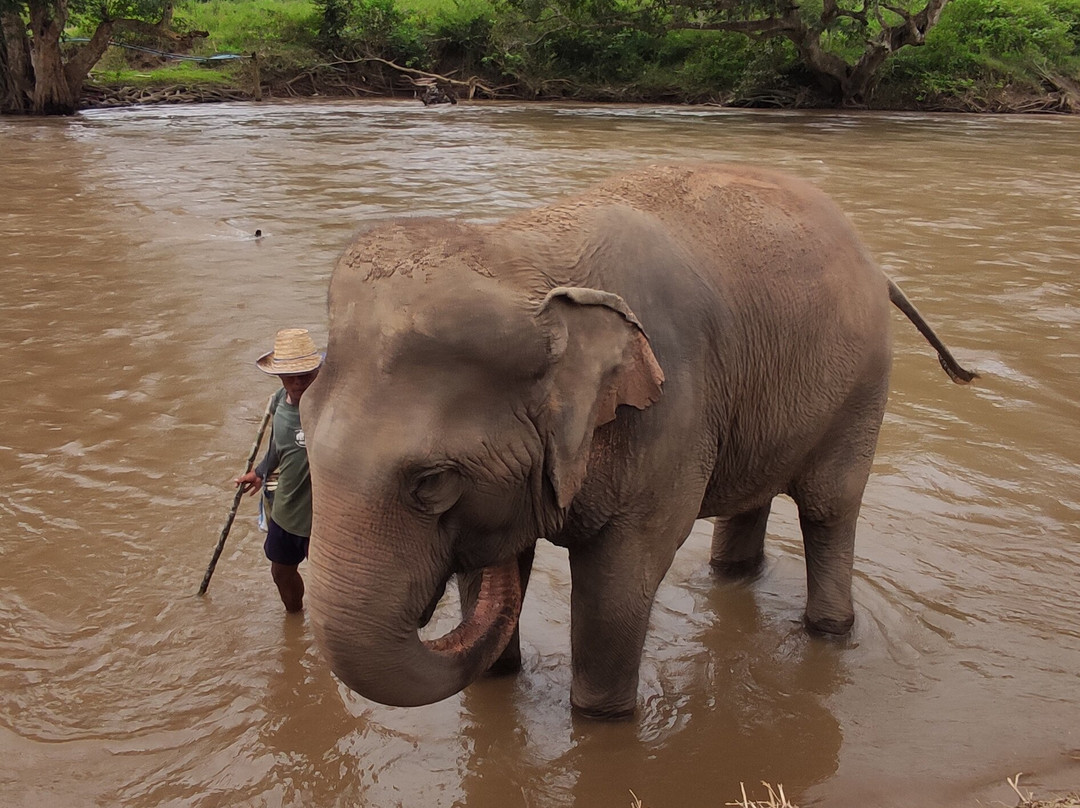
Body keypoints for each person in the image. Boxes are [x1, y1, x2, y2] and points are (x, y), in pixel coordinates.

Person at [235, 328, 322, 613]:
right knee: (281, 573)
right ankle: (294, 621)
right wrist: (260, 471)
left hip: (324, 517)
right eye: (290, 375)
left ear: (317, 372)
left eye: (305, 374)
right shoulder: (277, 403)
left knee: (326, 586)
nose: (298, 382)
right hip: (287, 508)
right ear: (280, 376)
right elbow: (277, 447)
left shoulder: (332, 407)